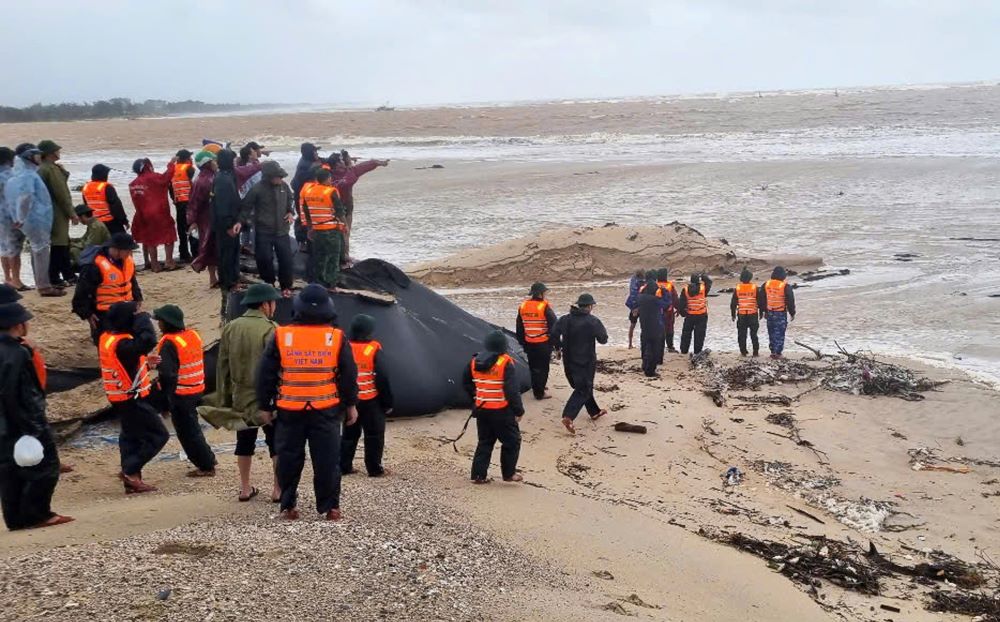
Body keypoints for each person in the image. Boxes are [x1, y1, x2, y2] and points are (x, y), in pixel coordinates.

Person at [256, 284, 358, 521]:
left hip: (290, 410)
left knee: (289, 459)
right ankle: (331, 508)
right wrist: (351, 404)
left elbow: (266, 374)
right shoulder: (336, 337)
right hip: (326, 409)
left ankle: (288, 506)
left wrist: (264, 406)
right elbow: (348, 374)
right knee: (328, 459)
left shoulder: (281, 335)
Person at [0, 299, 74, 530]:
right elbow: (19, 392)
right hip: (21, 420)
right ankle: (38, 514)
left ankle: (15, 518)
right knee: (46, 466)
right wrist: (33, 424)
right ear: (17, 326)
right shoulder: (17, 352)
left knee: (10, 470)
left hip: (3, 425)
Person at [214, 283, 282, 502]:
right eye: (273, 303)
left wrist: (224, 398)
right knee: (275, 443)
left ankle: (244, 488)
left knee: (244, 442)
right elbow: (276, 368)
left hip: (240, 396)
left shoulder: (231, 327)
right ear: (265, 305)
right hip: (267, 397)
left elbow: (222, 366)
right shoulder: (271, 329)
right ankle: (277, 489)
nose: (275, 307)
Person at [99, 301, 169, 494]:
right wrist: (142, 318)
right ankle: (129, 471)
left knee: (130, 436)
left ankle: (132, 480)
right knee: (159, 435)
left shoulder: (108, 338)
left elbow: (125, 362)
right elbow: (147, 341)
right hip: (131, 399)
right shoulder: (122, 343)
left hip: (121, 397)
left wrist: (145, 362)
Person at [152, 304, 216, 477]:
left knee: (188, 433)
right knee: (193, 428)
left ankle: (206, 465)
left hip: (181, 394)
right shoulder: (192, 335)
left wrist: (164, 400)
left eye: (160, 321)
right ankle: (207, 460)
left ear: (166, 323)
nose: (158, 325)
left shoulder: (168, 344)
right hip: (197, 388)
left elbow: (167, 374)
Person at [463, 330, 524, 484]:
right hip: (501, 411)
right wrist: (518, 410)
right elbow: (512, 390)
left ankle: (478, 475)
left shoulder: (474, 361)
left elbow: (466, 382)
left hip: (482, 409)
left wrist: (476, 397)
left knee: (485, 442)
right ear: (504, 346)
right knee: (512, 441)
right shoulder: (505, 362)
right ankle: (509, 474)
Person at [4, 145, 62, 297]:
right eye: (36, 155)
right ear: (29, 156)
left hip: (25, 219)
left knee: (32, 250)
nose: (39, 158)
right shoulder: (28, 175)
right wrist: (21, 217)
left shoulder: (15, 174)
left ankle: (37, 282)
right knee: (41, 250)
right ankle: (44, 286)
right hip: (35, 219)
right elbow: (25, 197)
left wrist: (17, 217)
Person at [341, 314, 393, 477]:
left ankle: (344, 466)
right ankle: (374, 468)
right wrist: (388, 402)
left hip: (350, 400)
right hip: (371, 400)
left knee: (349, 434)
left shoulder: (345, 347)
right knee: (374, 435)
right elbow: (382, 377)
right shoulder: (374, 349)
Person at [551, 293, 608, 434]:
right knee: (583, 388)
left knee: (583, 386)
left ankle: (594, 412)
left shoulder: (565, 319)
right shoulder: (593, 321)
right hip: (586, 360)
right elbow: (603, 339)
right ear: (589, 306)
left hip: (568, 360)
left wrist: (558, 348)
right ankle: (568, 416)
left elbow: (553, 333)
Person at [72, 232, 143, 345]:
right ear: (116, 249)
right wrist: (87, 313)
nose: (130, 253)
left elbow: (132, 281)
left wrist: (138, 298)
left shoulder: (127, 261)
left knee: (129, 342)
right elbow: (82, 291)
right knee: (107, 344)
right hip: (104, 313)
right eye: (128, 250)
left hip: (127, 308)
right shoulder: (94, 265)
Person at [240, 161, 296, 297]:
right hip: (263, 231)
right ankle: (269, 283)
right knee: (264, 258)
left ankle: (286, 286)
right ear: (268, 176)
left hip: (282, 231)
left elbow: (291, 199)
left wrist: (290, 212)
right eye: (277, 176)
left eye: (281, 176)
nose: (280, 179)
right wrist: (240, 222)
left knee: (286, 259)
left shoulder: (284, 186)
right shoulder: (257, 189)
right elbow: (246, 207)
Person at [330, 151, 389, 261]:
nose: (345, 161)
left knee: (346, 231)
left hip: (347, 205)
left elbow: (365, 166)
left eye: (344, 159)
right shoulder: (327, 174)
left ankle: (345, 255)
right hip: (332, 207)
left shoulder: (350, 171)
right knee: (336, 233)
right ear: (337, 164)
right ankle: (338, 255)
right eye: (342, 160)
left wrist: (379, 163)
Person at [36, 140, 78, 288]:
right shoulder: (50, 169)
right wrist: (72, 213)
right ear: (50, 153)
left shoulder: (43, 168)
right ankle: (56, 277)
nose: (59, 152)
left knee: (57, 244)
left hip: (46, 211)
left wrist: (63, 172)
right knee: (59, 245)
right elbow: (61, 193)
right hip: (57, 211)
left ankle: (61, 275)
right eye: (56, 150)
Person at [129, 158, 178, 272]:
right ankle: (169, 261)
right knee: (169, 236)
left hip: (143, 214)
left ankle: (154, 265)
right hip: (160, 212)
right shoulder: (155, 177)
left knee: (150, 240)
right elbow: (168, 176)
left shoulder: (133, 184)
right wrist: (171, 164)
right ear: (148, 166)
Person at [301, 168, 346, 291]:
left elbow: (306, 211)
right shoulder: (330, 191)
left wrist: (311, 227)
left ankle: (319, 283)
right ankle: (331, 285)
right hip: (331, 229)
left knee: (320, 257)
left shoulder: (309, 192)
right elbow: (340, 210)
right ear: (328, 178)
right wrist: (345, 225)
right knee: (333, 257)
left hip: (317, 230)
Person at [515, 282, 557, 400]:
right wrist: (555, 343)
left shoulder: (523, 306)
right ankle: (540, 392)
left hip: (529, 342)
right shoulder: (544, 306)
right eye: (545, 292)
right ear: (540, 294)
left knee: (533, 367)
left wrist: (522, 343)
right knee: (543, 367)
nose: (545, 294)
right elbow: (554, 325)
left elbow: (519, 327)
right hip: (543, 342)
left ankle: (537, 387)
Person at [189, 150, 220, 288]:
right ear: (207, 164)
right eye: (213, 161)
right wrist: (193, 221)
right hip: (207, 220)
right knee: (210, 248)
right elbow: (194, 203)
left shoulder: (213, 177)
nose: (216, 163)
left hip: (211, 219)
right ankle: (213, 278)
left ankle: (215, 277)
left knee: (212, 248)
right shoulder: (202, 181)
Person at [0, 147, 28, 292]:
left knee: (3, 248)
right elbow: (18, 198)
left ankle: (7, 278)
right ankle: (16, 279)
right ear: (8, 160)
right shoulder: (11, 176)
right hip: (11, 216)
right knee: (15, 249)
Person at [82, 163, 129, 235]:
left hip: (94, 223)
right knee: (121, 243)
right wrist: (124, 221)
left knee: (98, 244)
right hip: (110, 222)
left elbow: (86, 207)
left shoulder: (85, 188)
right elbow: (117, 206)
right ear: (103, 175)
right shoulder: (107, 187)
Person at [290, 142, 322, 248]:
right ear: (309, 153)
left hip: (306, 197)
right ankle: (304, 243)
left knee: (306, 221)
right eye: (315, 151)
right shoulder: (305, 166)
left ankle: (306, 243)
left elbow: (323, 161)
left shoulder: (309, 161)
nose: (316, 153)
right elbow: (296, 184)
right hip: (302, 199)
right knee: (305, 221)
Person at [759, 266, 796, 359]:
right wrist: (792, 313)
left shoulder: (766, 284)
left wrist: (763, 311)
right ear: (783, 275)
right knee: (780, 333)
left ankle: (772, 352)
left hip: (769, 312)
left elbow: (762, 299)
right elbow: (790, 301)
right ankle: (778, 353)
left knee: (771, 332)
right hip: (780, 313)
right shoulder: (785, 286)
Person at [638, 276, 671, 377]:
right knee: (654, 350)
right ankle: (650, 371)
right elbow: (667, 304)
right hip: (656, 327)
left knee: (645, 347)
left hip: (644, 326)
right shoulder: (655, 300)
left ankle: (644, 364)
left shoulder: (640, 298)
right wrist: (665, 293)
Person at [168, 149, 196, 262]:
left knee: (181, 229)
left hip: (179, 202)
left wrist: (174, 200)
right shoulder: (189, 169)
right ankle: (195, 253)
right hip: (189, 202)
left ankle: (183, 253)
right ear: (187, 158)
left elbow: (170, 187)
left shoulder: (172, 169)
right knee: (192, 228)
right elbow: (195, 184)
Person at [677, 273, 713, 355]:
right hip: (701, 314)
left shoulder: (685, 289)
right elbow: (709, 282)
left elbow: (681, 304)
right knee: (699, 334)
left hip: (690, 314)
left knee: (686, 333)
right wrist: (703, 276)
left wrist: (683, 314)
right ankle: (697, 351)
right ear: (698, 280)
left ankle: (684, 350)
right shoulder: (703, 288)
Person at [731, 268, 761, 356]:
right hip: (753, 314)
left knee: (742, 334)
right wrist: (762, 312)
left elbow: (733, 303)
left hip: (742, 315)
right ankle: (755, 352)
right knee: (754, 334)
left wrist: (733, 314)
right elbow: (760, 301)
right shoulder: (754, 287)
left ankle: (743, 351)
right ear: (750, 278)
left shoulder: (738, 288)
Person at [655, 268, 679, 354]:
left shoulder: (654, 285)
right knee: (669, 329)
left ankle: (657, 347)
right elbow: (675, 298)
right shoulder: (670, 285)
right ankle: (670, 347)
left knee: (657, 329)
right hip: (668, 312)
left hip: (656, 312)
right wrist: (679, 309)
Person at [625, 269, 644, 349]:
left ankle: (630, 344)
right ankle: (643, 344)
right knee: (644, 326)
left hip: (633, 306)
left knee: (632, 325)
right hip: (641, 306)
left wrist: (633, 308)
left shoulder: (633, 280)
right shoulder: (643, 282)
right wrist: (637, 308)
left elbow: (632, 294)